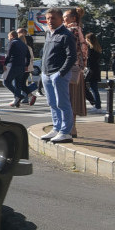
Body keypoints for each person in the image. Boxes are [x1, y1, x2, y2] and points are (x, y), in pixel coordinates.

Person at [40, 7, 78, 143]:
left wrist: (61, 73)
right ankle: (56, 128)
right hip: (47, 74)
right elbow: (45, 54)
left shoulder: (66, 35)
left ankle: (65, 132)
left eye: (53, 18)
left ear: (61, 19)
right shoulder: (49, 34)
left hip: (58, 74)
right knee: (52, 103)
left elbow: (72, 56)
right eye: (48, 18)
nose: (50, 21)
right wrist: (42, 74)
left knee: (62, 103)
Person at [3, 29, 32, 107]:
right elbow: (28, 56)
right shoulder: (24, 44)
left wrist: (4, 64)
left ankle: (18, 95)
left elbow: (9, 55)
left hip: (13, 65)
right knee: (17, 84)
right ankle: (17, 102)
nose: (8, 39)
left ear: (11, 36)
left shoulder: (12, 43)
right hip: (22, 67)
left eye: (8, 37)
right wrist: (26, 65)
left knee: (6, 82)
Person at [84, 32, 102, 111]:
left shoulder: (90, 50)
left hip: (91, 70)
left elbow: (89, 61)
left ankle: (97, 105)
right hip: (95, 70)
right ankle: (97, 104)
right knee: (94, 88)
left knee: (93, 89)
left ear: (88, 40)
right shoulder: (97, 48)